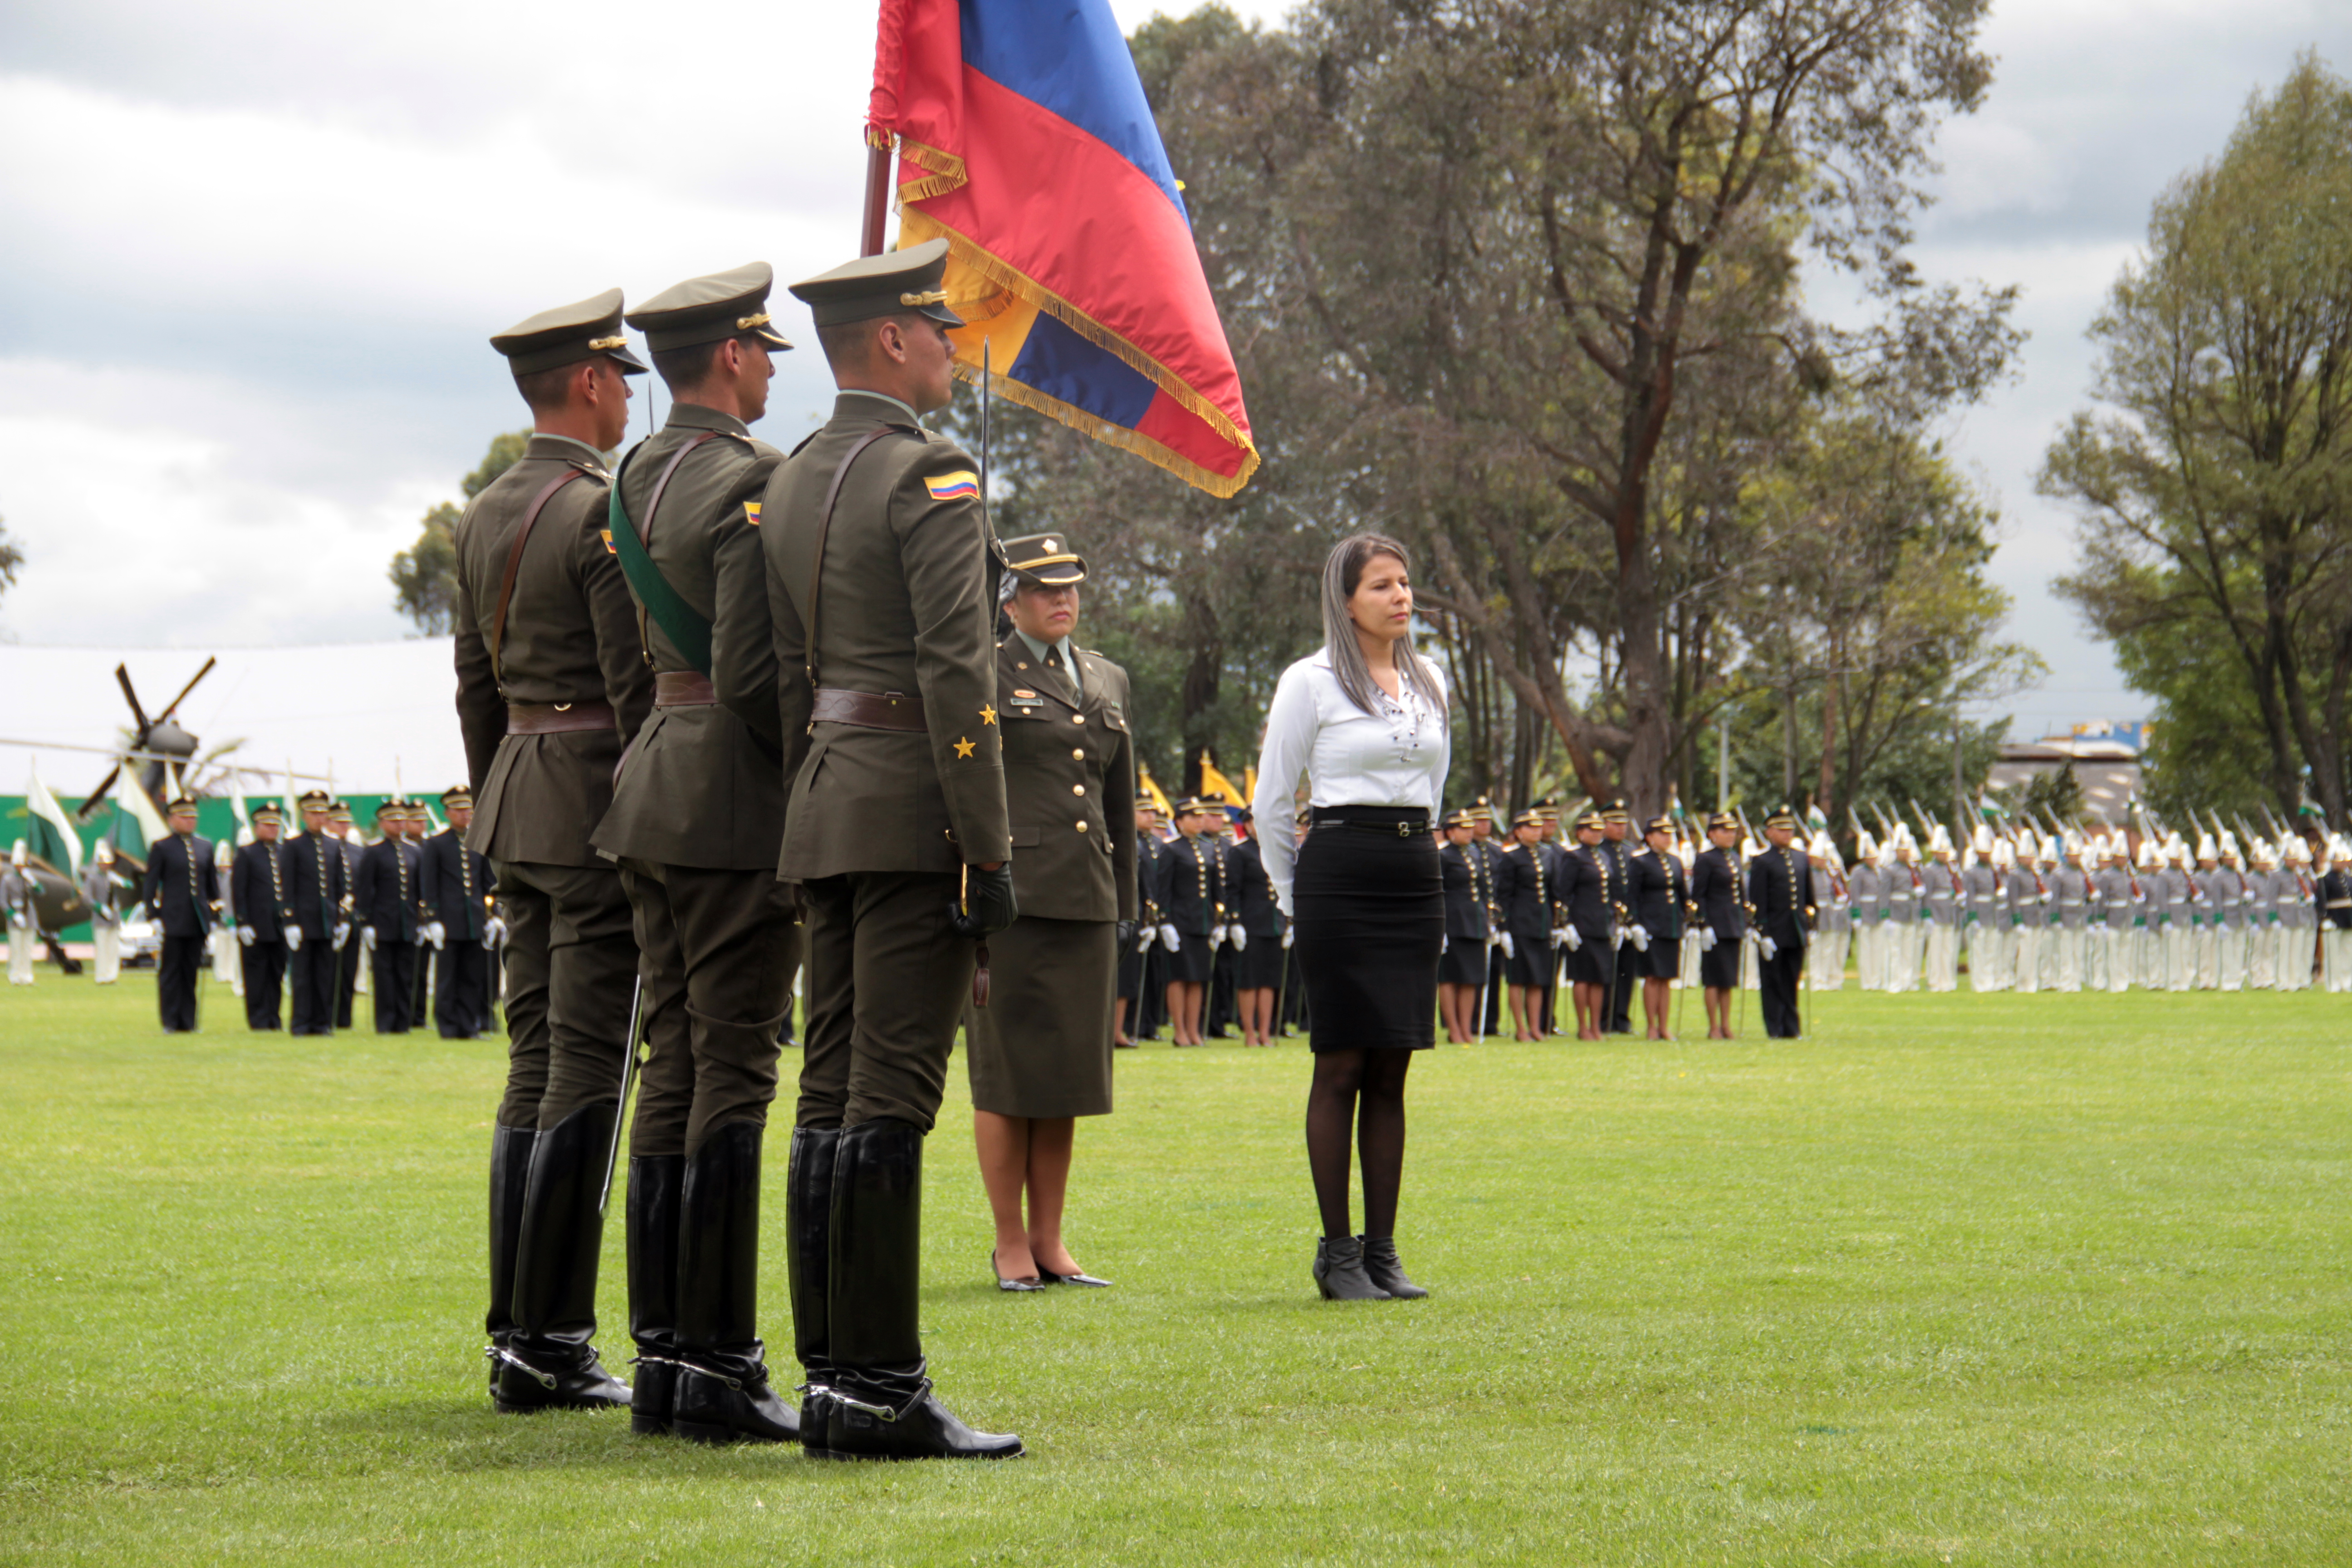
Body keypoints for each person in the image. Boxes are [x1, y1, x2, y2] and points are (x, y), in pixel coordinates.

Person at [737, 239, 1021, 1460]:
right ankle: (883, 1386)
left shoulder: (795, 476)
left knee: (833, 1092)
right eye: (940, 329)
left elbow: (793, 671)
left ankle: (837, 1377)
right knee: (892, 1099)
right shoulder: (930, 474)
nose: (955, 348)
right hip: (912, 811)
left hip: (832, 802)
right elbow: (960, 672)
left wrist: (819, 786)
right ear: (895, 342)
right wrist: (989, 847)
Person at [589, 263, 802, 1445]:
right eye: (766, 351)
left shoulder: (634, 475)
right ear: (728, 356)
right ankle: (717, 1358)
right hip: (728, 799)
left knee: (672, 1067)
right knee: (732, 1069)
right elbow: (759, 668)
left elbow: (640, 664)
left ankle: (666, 1357)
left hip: (653, 784)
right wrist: (804, 768)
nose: (774, 368)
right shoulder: (749, 482)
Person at [455, 288, 654, 1415]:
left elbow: (474, 689)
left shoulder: (484, 509)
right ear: (586, 382)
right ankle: (551, 1340)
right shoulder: (598, 508)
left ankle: (517, 1332)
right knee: (584, 1069)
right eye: (619, 376)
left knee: (532, 1070)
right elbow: (632, 692)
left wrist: (496, 801)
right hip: (586, 807)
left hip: (518, 799)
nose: (628, 393)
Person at [1250, 530, 1448, 1304]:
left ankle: (1382, 1252)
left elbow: (1434, 785)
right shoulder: (1309, 681)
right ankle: (1336, 1255)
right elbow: (1272, 799)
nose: (1400, 596)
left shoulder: (1429, 677)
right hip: (1336, 871)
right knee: (1339, 1065)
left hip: (1412, 873)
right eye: (1380, 586)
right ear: (1344, 601)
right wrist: (1290, 893)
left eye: (1404, 582)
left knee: (1391, 1068)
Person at [962, 532, 1137, 1293]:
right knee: (1006, 1074)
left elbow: (1118, 803)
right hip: (1012, 896)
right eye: (1043, 588)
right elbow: (964, 787)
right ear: (1008, 600)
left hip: (1083, 896)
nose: (1061, 598)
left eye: (1070, 586)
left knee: (1064, 1073)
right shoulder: (981, 669)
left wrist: (1123, 900)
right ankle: (1008, 1242)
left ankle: (1049, 1240)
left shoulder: (1106, 677)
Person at [418, 786, 496, 1039]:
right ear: (448, 813)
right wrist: (432, 919)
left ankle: (469, 1025)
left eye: (469, 809)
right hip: (448, 922)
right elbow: (429, 884)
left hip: (474, 920)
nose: (466, 814)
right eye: (460, 809)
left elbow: (487, 883)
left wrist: (493, 915)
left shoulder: (479, 840)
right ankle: (449, 1026)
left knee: (472, 978)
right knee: (447, 978)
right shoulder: (436, 844)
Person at [141, 796, 217, 1032]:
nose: (190, 821)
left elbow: (212, 888)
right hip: (173, 919)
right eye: (184, 817)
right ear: (172, 820)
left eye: (193, 817)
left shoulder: (205, 846)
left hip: (197, 920)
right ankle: (171, 1021)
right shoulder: (162, 847)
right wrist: (154, 916)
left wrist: (213, 917)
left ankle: (189, 1021)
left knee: (191, 972)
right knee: (171, 973)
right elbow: (150, 886)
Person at [353, 801, 424, 1033]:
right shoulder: (373, 851)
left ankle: (403, 1022)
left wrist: (422, 921)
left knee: (406, 975)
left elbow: (419, 890)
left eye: (402, 819)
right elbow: (364, 889)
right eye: (393, 820)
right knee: (384, 976)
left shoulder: (413, 850)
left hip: (408, 922)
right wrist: (366, 922)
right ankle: (385, 1023)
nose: (399, 824)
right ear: (383, 823)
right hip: (382, 923)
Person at [1158, 799, 1224, 1048]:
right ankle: (1180, 1032)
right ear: (1179, 821)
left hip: (1203, 921)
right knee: (1178, 977)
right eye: (1192, 817)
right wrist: (1165, 922)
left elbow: (1218, 890)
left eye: (1201, 817)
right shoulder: (1171, 849)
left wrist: (1221, 922)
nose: (1199, 821)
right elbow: (1162, 888)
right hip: (1179, 922)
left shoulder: (1209, 848)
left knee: (1198, 978)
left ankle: (1195, 1030)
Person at [1746, 806, 1812, 1039]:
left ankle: (1792, 1027)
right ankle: (1774, 1027)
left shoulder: (1801, 858)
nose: (1787, 834)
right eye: (1781, 830)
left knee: (1791, 980)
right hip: (1774, 931)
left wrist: (1810, 927)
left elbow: (1808, 898)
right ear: (1770, 832)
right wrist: (1762, 931)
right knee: (1772, 980)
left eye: (1789, 830)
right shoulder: (1763, 861)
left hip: (1795, 929)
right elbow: (1758, 900)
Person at [230, 804, 293, 1029]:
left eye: (276, 825)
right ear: (257, 827)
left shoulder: (285, 851)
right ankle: (258, 1019)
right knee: (256, 976)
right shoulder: (247, 853)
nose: (273, 829)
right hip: (257, 925)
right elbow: (240, 890)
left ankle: (274, 1018)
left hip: (279, 926)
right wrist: (242, 922)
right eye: (267, 825)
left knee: (277, 974)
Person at [1629, 813, 1688, 1039]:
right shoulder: (1640, 861)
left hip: (1670, 924)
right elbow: (1633, 895)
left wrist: (1688, 920)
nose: (1667, 838)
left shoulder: (1675, 861)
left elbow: (1683, 894)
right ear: (1650, 837)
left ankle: (1664, 1025)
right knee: (1652, 977)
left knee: (1666, 977)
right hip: (1650, 924)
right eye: (1662, 834)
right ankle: (1652, 1025)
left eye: (1669, 834)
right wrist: (1635, 924)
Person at [1494, 810, 1551, 1042]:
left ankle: (1535, 1027)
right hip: (1520, 922)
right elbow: (1504, 895)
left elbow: (1552, 890)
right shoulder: (1511, 857)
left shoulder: (1547, 855)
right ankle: (1520, 1028)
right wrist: (1504, 927)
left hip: (1542, 923)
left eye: (1539, 827)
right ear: (1518, 832)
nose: (1536, 831)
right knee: (1518, 978)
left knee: (1538, 979)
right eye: (1531, 827)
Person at [1436, 810, 1490, 1044]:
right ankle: (1454, 1029)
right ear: (1451, 831)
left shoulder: (1475, 854)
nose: (1470, 832)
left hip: (1475, 922)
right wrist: (1439, 926)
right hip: (1453, 922)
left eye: (1471, 828)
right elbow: (1438, 892)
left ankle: (1466, 1028)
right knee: (1449, 978)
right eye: (1464, 828)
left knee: (1471, 977)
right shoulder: (1443, 856)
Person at [1115, 793, 1165, 1048]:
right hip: (1118, 914)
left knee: (1130, 979)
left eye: (1152, 812)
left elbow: (1150, 887)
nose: (1151, 816)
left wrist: (1152, 921)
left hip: (1136, 917)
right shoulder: (1126, 841)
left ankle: (1121, 1030)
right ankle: (1112, 1031)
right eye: (1143, 812)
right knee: (1118, 977)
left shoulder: (1150, 844)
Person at [1690, 813, 1744, 1039]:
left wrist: (1746, 921)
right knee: (1713, 978)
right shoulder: (1706, 859)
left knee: (1728, 979)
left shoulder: (1735, 858)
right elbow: (1699, 894)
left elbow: (1741, 893)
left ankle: (1726, 1024)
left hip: (1733, 923)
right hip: (1715, 924)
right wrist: (1704, 923)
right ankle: (1713, 1026)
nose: (1730, 835)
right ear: (1712, 834)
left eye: (1732, 831)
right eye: (1725, 831)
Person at [328, 803, 367, 1027]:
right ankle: (327, 1015)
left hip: (352, 920)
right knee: (328, 971)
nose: (343, 826)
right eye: (338, 822)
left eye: (346, 822)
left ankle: (344, 1018)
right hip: (330, 918)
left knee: (348, 971)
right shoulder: (324, 848)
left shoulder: (358, 852)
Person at [84, 843, 123, 985]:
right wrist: (100, 908)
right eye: (103, 863)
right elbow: (87, 898)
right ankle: (101, 976)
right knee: (102, 948)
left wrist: (121, 882)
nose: (105, 866)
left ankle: (112, 975)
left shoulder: (112, 877)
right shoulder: (93, 878)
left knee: (113, 948)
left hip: (113, 917)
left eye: (107, 863)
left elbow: (129, 886)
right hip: (101, 918)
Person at [3, 843, 33, 986]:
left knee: (27, 948)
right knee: (16, 948)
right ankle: (15, 976)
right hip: (16, 916)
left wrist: (33, 881)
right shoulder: (8, 879)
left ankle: (26, 976)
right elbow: (2, 901)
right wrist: (12, 914)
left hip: (29, 917)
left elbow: (41, 892)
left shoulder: (29, 879)